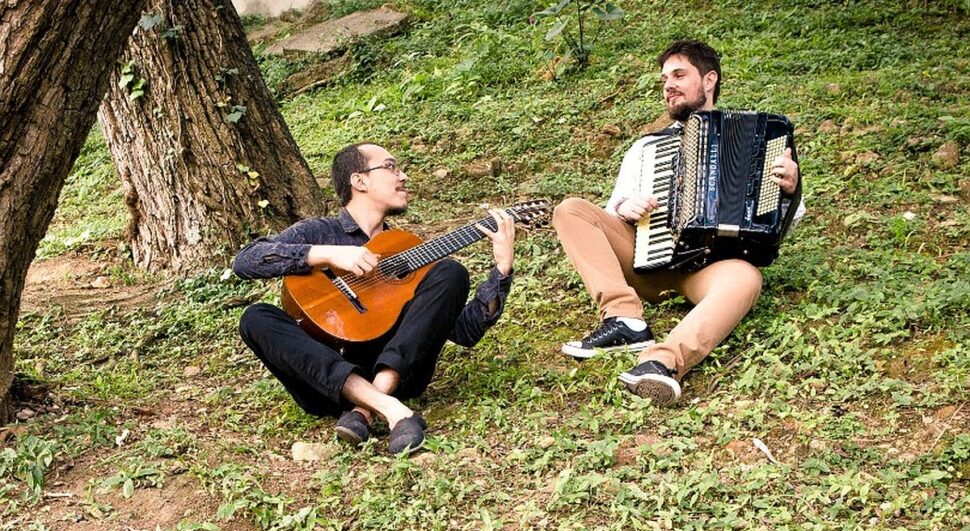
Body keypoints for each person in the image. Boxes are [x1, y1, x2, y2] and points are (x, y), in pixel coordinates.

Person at [553, 39, 804, 405]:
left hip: (709, 272)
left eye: (679, 75)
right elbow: (606, 218)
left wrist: (789, 190)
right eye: (664, 78)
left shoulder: (759, 138)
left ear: (709, 80)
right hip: (647, 261)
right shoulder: (645, 148)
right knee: (570, 209)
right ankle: (625, 320)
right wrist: (625, 207)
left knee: (747, 278)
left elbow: (788, 223)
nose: (668, 85)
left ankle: (660, 364)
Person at [234, 142, 515, 454]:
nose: (403, 176)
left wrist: (502, 269)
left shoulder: (407, 249)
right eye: (392, 167)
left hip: (401, 372)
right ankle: (390, 409)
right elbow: (247, 261)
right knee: (255, 317)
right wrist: (327, 253)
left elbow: (464, 331)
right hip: (325, 382)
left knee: (451, 272)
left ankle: (366, 408)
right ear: (360, 181)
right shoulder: (321, 232)